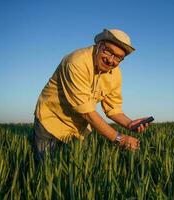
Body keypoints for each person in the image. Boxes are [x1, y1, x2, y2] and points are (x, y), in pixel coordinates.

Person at [32, 28, 151, 160]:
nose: (111, 60)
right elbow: (86, 111)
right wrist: (119, 139)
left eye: (118, 57)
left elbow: (113, 109)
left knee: (75, 171)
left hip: (78, 129)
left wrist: (130, 124)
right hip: (52, 120)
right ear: (99, 45)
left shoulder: (115, 74)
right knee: (46, 169)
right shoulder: (76, 62)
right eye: (109, 51)